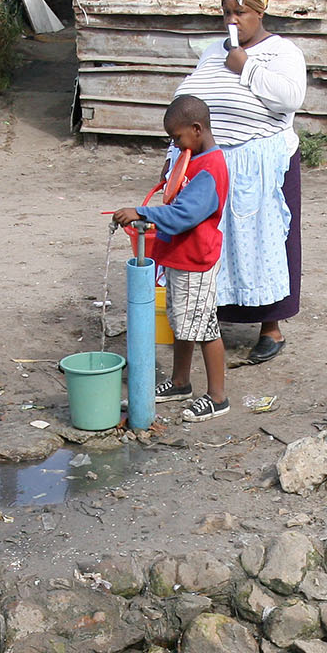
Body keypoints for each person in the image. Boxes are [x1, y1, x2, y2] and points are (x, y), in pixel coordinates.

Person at [173, 0, 306, 365]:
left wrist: (245, 66)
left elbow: (289, 98)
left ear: (260, 12)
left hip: (263, 165)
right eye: (226, 10)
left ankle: (271, 327)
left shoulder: (282, 51)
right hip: (213, 166)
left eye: (240, 12)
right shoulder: (214, 51)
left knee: (267, 243)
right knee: (217, 245)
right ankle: (211, 320)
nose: (232, 19)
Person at [110, 95, 231, 423]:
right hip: (182, 256)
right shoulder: (193, 159)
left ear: (197, 129)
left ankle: (218, 397)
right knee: (182, 321)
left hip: (197, 259)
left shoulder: (212, 168)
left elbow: (184, 215)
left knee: (204, 326)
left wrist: (143, 212)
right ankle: (180, 382)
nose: (175, 146)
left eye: (177, 138)